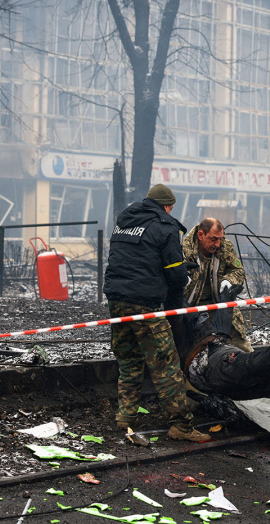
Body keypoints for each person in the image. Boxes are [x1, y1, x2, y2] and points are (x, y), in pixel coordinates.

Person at [103, 183, 210, 443]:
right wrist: (184, 277)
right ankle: (181, 426)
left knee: (129, 361)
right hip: (144, 305)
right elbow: (174, 272)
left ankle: (125, 417)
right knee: (166, 365)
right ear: (166, 206)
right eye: (171, 207)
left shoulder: (125, 220)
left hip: (116, 301)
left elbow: (136, 258)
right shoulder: (165, 225)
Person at [175, 310, 270, 401]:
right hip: (212, 370)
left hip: (232, 381)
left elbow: (223, 314)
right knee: (246, 366)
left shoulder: (210, 333)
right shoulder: (191, 340)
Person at [182, 218, 252, 352]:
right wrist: (183, 279)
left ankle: (250, 366)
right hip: (189, 308)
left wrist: (228, 281)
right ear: (201, 235)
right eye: (214, 239)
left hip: (218, 304)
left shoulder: (226, 247)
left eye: (220, 239)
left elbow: (238, 270)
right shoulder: (184, 249)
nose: (217, 244)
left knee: (240, 343)